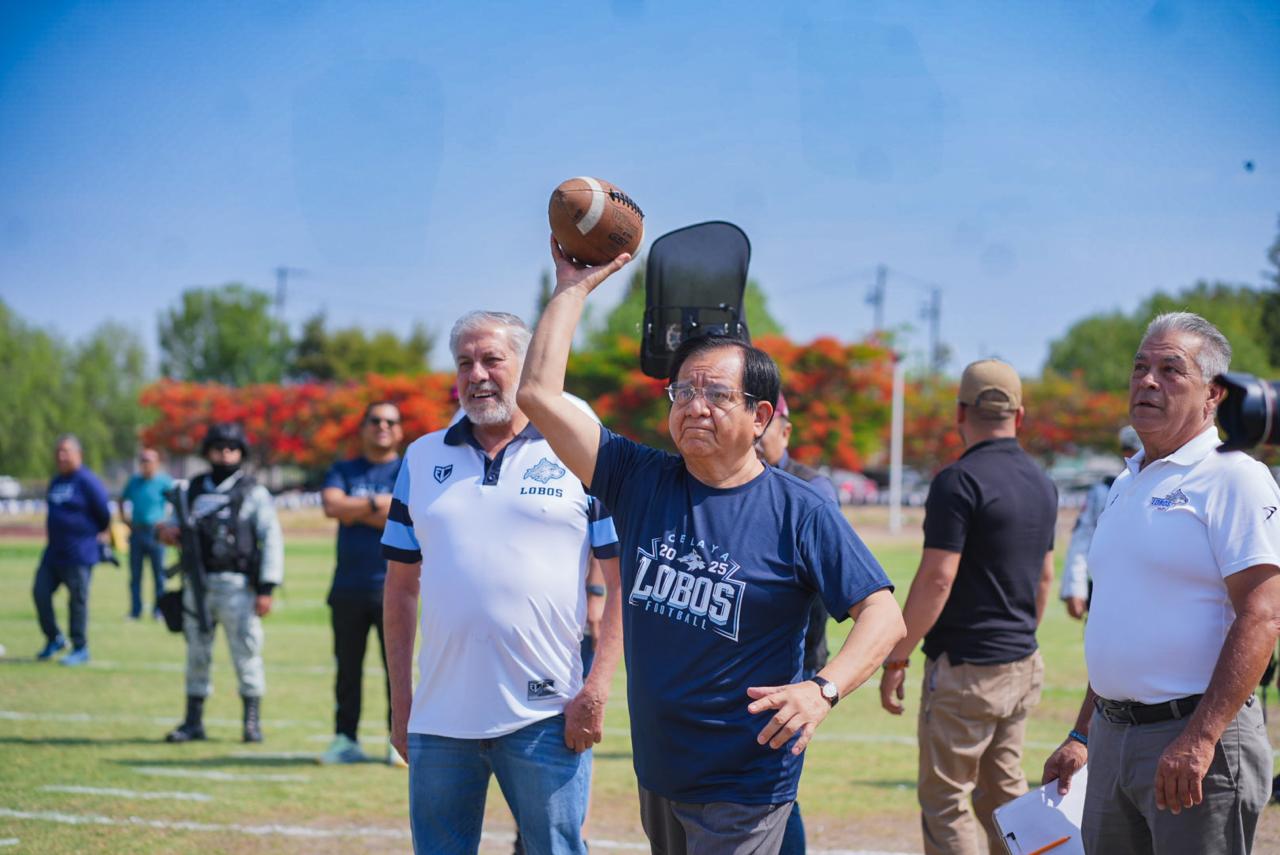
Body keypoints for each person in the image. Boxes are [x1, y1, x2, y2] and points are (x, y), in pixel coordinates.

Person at [518, 240, 905, 854]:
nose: (695, 406)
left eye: (717, 395)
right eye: (683, 392)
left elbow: (883, 614)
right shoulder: (638, 479)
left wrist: (822, 689)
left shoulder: (800, 510)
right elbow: (538, 396)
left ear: (760, 416)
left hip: (746, 781)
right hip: (661, 771)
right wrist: (572, 288)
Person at [381, 310, 623, 855]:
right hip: (440, 719)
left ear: (526, 364)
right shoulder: (421, 457)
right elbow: (399, 589)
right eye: (464, 363)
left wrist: (596, 690)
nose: (477, 374)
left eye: (492, 359)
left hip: (547, 714)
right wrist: (402, 703)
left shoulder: (578, 451)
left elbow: (621, 581)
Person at [1042, 313, 1280, 855]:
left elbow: (1264, 614)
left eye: (1171, 370)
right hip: (1111, 738)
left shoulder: (1234, 477)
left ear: (1213, 393)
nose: (1148, 381)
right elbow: (1119, 620)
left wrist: (1199, 737)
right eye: (1139, 368)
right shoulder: (1126, 483)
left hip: (1195, 739)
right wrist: (1082, 734)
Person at [878, 359, 1057, 855]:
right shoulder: (1043, 483)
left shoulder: (957, 481)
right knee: (1005, 795)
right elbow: (1045, 577)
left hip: (966, 670)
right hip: (1022, 662)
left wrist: (897, 656)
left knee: (946, 800)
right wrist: (1018, 639)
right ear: (1019, 416)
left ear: (960, 412)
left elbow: (937, 579)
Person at [158, 422, 284, 744]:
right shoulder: (191, 490)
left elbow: (271, 539)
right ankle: (193, 721)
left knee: (247, 652)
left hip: (238, 586)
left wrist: (267, 587)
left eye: (232, 448)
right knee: (196, 653)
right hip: (197, 584)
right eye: (218, 447)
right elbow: (170, 526)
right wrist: (168, 532)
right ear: (208, 451)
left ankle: (251, 723)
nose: (225, 453)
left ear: (241, 452)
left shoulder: (253, 492)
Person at [756, 391, 839, 855]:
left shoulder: (811, 488)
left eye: (765, 421)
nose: (755, 432)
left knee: (777, 781)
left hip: (796, 659)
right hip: (744, 655)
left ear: (785, 431)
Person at [318, 401, 404, 766]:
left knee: (397, 670)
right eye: (375, 420)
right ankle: (345, 739)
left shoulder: (409, 469)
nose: (382, 426)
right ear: (364, 427)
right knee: (347, 669)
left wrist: (356, 510)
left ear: (399, 430)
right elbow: (332, 507)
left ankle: (397, 740)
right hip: (348, 586)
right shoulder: (343, 468)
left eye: (390, 421)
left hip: (396, 588)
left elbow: (409, 514)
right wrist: (378, 504)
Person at [34, 434, 112, 666]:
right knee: (40, 593)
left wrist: (89, 535)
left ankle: (80, 647)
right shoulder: (56, 481)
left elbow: (103, 514)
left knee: (77, 601)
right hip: (53, 553)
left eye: (66, 451)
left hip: (79, 553)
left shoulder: (87, 481)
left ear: (79, 454)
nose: (61, 456)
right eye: (58, 451)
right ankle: (54, 638)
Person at [1059, 425, 1141, 619]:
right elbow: (1083, 538)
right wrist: (1075, 587)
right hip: (1105, 588)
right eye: (1130, 450)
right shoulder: (1104, 490)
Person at [121, 447, 174, 621]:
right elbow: (122, 499)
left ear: (156, 463)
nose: (145, 464)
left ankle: (159, 611)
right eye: (143, 460)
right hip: (137, 532)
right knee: (135, 575)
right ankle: (135, 611)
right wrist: (126, 520)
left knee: (159, 575)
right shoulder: (134, 481)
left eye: (149, 461)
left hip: (156, 533)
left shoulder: (164, 482)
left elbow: (176, 502)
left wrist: (167, 523)